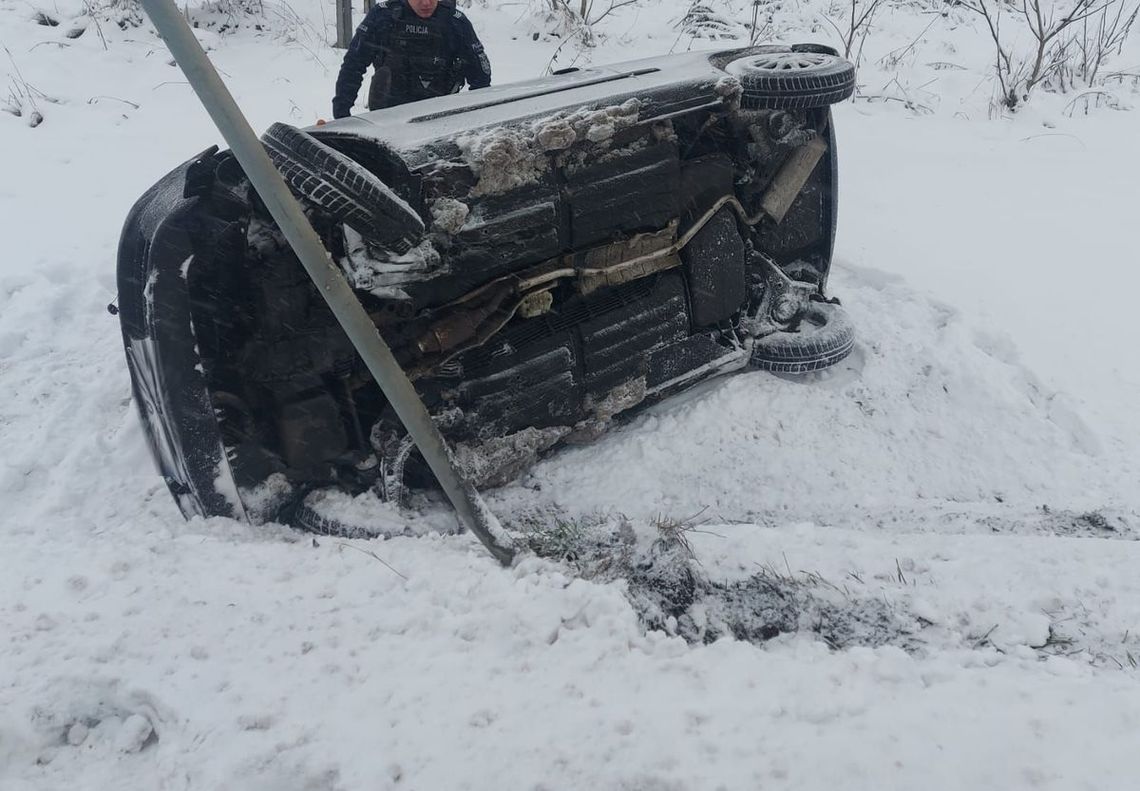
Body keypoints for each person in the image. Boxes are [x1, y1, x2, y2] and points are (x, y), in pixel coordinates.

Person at [332, 0, 491, 119]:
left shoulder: (455, 22)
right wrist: (341, 112)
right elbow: (353, 65)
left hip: (441, 115)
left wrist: (475, 118)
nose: (426, 3)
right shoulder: (382, 17)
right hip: (388, 115)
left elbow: (481, 76)